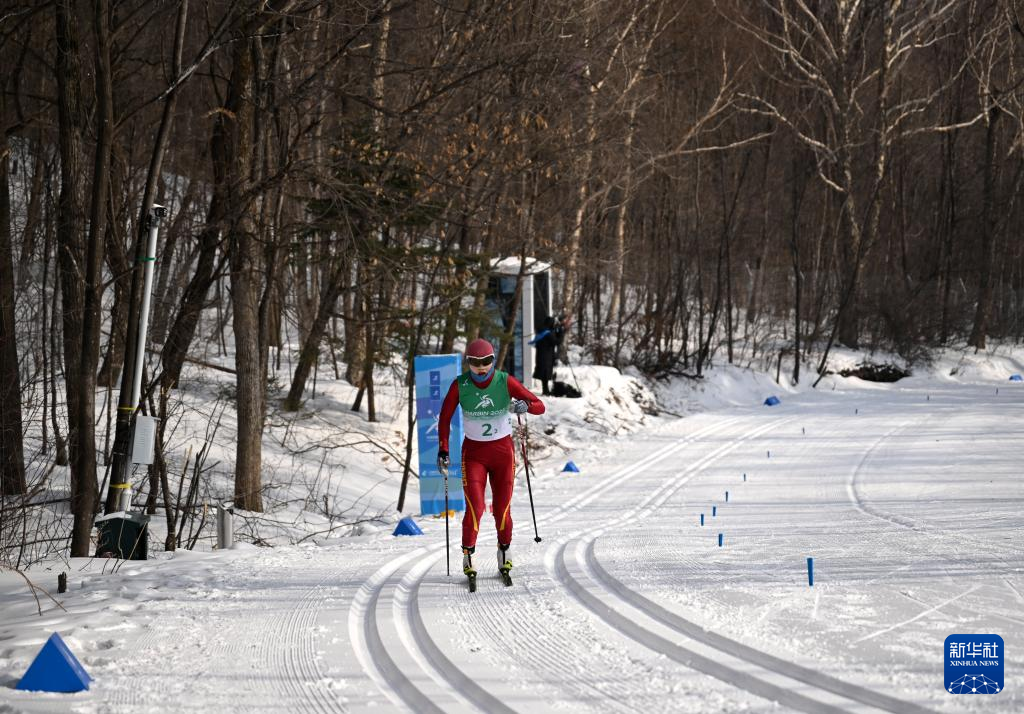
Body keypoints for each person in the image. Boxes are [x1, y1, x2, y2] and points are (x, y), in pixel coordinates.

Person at [436, 338, 545, 581]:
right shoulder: (460, 385)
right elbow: (444, 418)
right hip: (474, 454)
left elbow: (540, 406)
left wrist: (525, 406)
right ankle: (468, 554)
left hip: (502, 454)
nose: (481, 367)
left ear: (493, 360)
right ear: (468, 363)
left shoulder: (505, 381)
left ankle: (504, 551)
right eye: (475, 363)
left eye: (486, 361)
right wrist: (443, 450)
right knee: (476, 507)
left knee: (502, 508)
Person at [529, 315, 564, 396]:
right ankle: (546, 391)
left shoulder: (542, 332)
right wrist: (561, 332)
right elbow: (557, 341)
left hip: (541, 356)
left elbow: (553, 338)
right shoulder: (547, 334)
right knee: (545, 374)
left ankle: (546, 390)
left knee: (544, 374)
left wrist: (556, 332)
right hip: (546, 357)